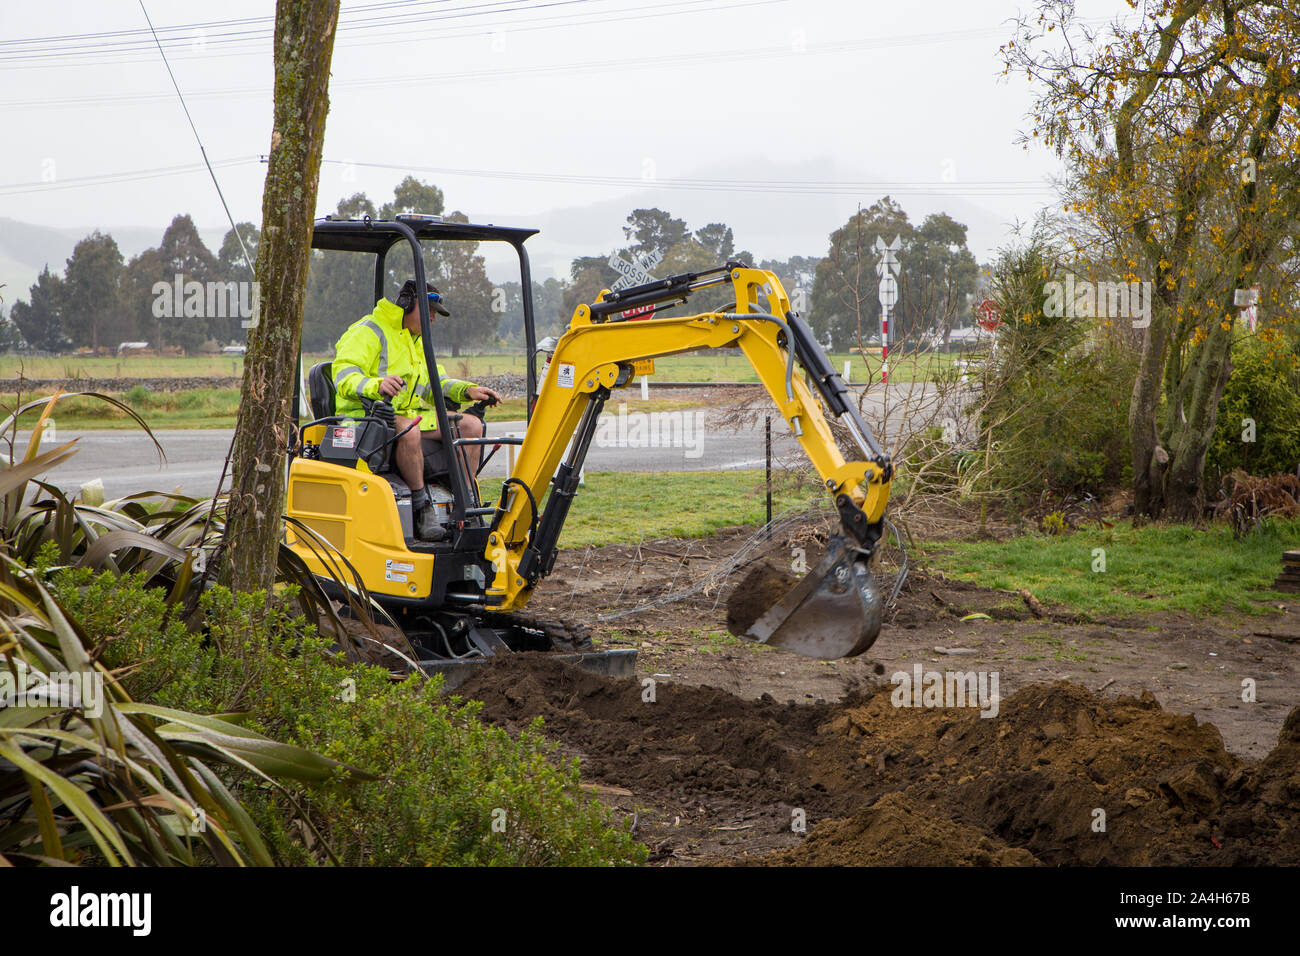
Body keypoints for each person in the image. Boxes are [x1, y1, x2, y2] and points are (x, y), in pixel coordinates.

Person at [331, 279, 501, 540]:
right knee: (409, 430)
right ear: (408, 304)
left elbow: (436, 384)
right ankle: (423, 509)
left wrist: (468, 390)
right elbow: (344, 375)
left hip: (404, 416)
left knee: (471, 426)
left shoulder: (416, 342)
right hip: (366, 418)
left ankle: (466, 506)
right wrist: (377, 385)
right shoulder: (367, 331)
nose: (433, 320)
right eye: (430, 312)